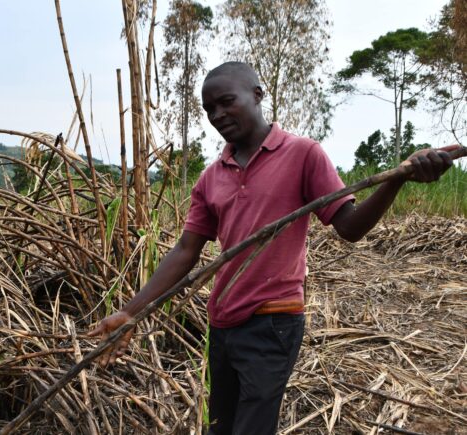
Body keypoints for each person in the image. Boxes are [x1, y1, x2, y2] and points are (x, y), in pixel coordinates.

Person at [88, 61, 455, 434]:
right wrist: (131, 313)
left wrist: (397, 179)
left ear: (257, 95)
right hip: (223, 323)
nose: (217, 114)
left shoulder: (303, 154)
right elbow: (186, 250)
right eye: (209, 109)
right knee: (220, 425)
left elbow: (350, 226)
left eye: (226, 101)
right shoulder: (210, 177)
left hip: (273, 321)